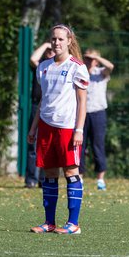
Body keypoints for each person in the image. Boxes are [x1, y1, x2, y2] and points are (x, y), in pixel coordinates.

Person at [28, 24, 89, 234]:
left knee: (71, 172)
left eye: (61, 39)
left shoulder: (77, 67)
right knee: (49, 173)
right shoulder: (43, 67)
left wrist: (79, 130)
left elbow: (82, 102)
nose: (57, 43)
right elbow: (43, 101)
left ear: (69, 41)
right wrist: (33, 129)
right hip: (46, 126)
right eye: (54, 39)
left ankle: (73, 224)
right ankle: (49, 222)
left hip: (67, 128)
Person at [79, 48, 114, 190]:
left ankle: (100, 179)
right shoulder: (80, 72)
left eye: (91, 59)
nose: (89, 61)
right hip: (81, 113)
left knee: (97, 146)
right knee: (79, 146)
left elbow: (110, 66)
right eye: (87, 58)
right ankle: (79, 177)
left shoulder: (101, 73)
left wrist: (96, 58)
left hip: (98, 113)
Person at [24, 42, 55, 188]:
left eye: (52, 50)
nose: (49, 52)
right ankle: (31, 179)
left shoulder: (57, 67)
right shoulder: (41, 67)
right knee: (33, 144)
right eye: (47, 50)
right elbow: (32, 59)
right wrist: (46, 44)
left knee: (47, 146)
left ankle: (44, 180)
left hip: (51, 107)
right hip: (37, 106)